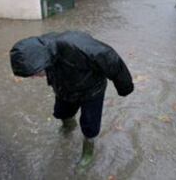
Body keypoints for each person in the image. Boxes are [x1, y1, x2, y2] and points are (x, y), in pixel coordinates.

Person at [9, 31, 134, 170]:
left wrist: (125, 87)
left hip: (91, 90)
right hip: (64, 87)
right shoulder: (40, 49)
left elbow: (112, 60)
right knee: (61, 113)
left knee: (90, 125)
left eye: (34, 74)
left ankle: (88, 152)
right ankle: (69, 126)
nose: (34, 77)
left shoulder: (80, 47)